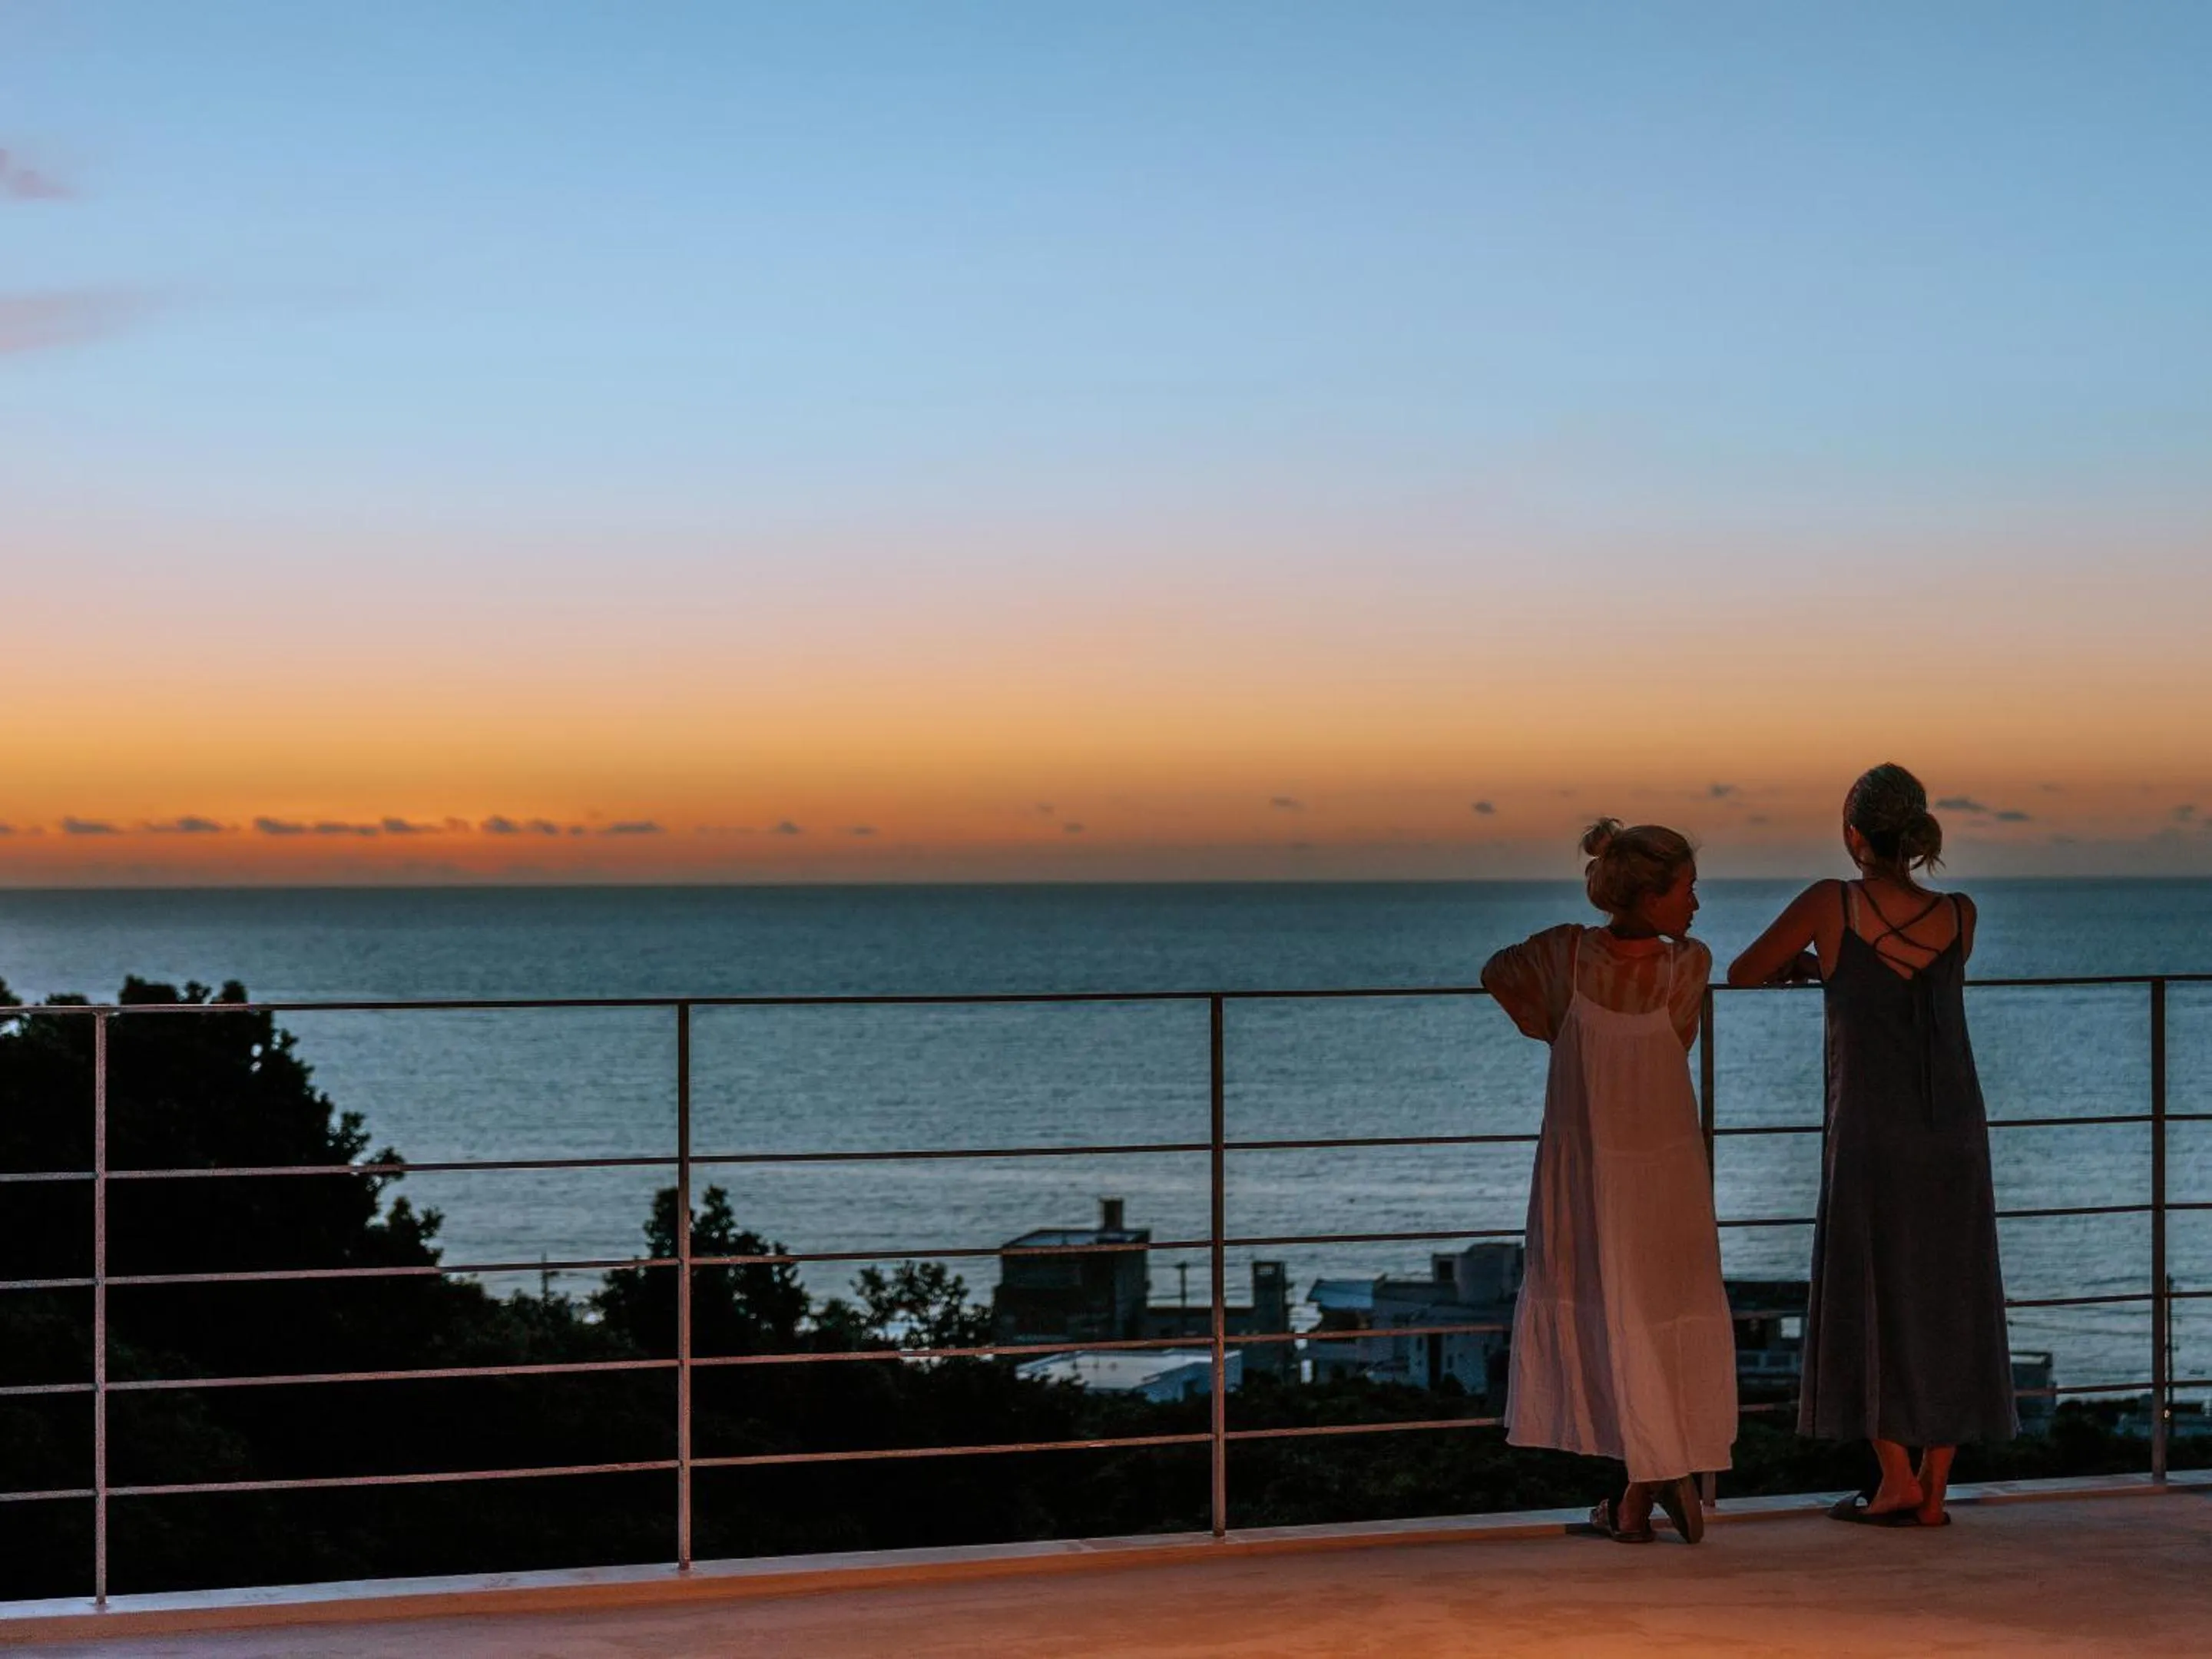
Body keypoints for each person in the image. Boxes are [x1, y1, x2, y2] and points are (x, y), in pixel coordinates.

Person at [1728, 763, 2015, 1528]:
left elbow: (1744, 971)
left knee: (1870, 1290)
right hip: (1955, 1132)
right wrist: (1833, 969)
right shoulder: (1961, 913)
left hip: (1871, 1132)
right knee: (1951, 1296)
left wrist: (1813, 967)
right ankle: (1935, 1489)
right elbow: (1918, 986)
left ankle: (1893, 1479)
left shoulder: (1834, 902)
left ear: (1854, 834)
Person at [1482, 820, 1736, 1544]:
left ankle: (1642, 1487)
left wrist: (1557, 1026)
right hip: (1663, 1166)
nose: (1697, 903)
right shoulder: (1686, 966)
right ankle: (1645, 1484)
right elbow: (1677, 1040)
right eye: (1687, 889)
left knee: (1617, 1309)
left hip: (1589, 1166)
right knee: (1659, 1306)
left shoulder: (1562, 955)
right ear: (1652, 897)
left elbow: (1498, 974)